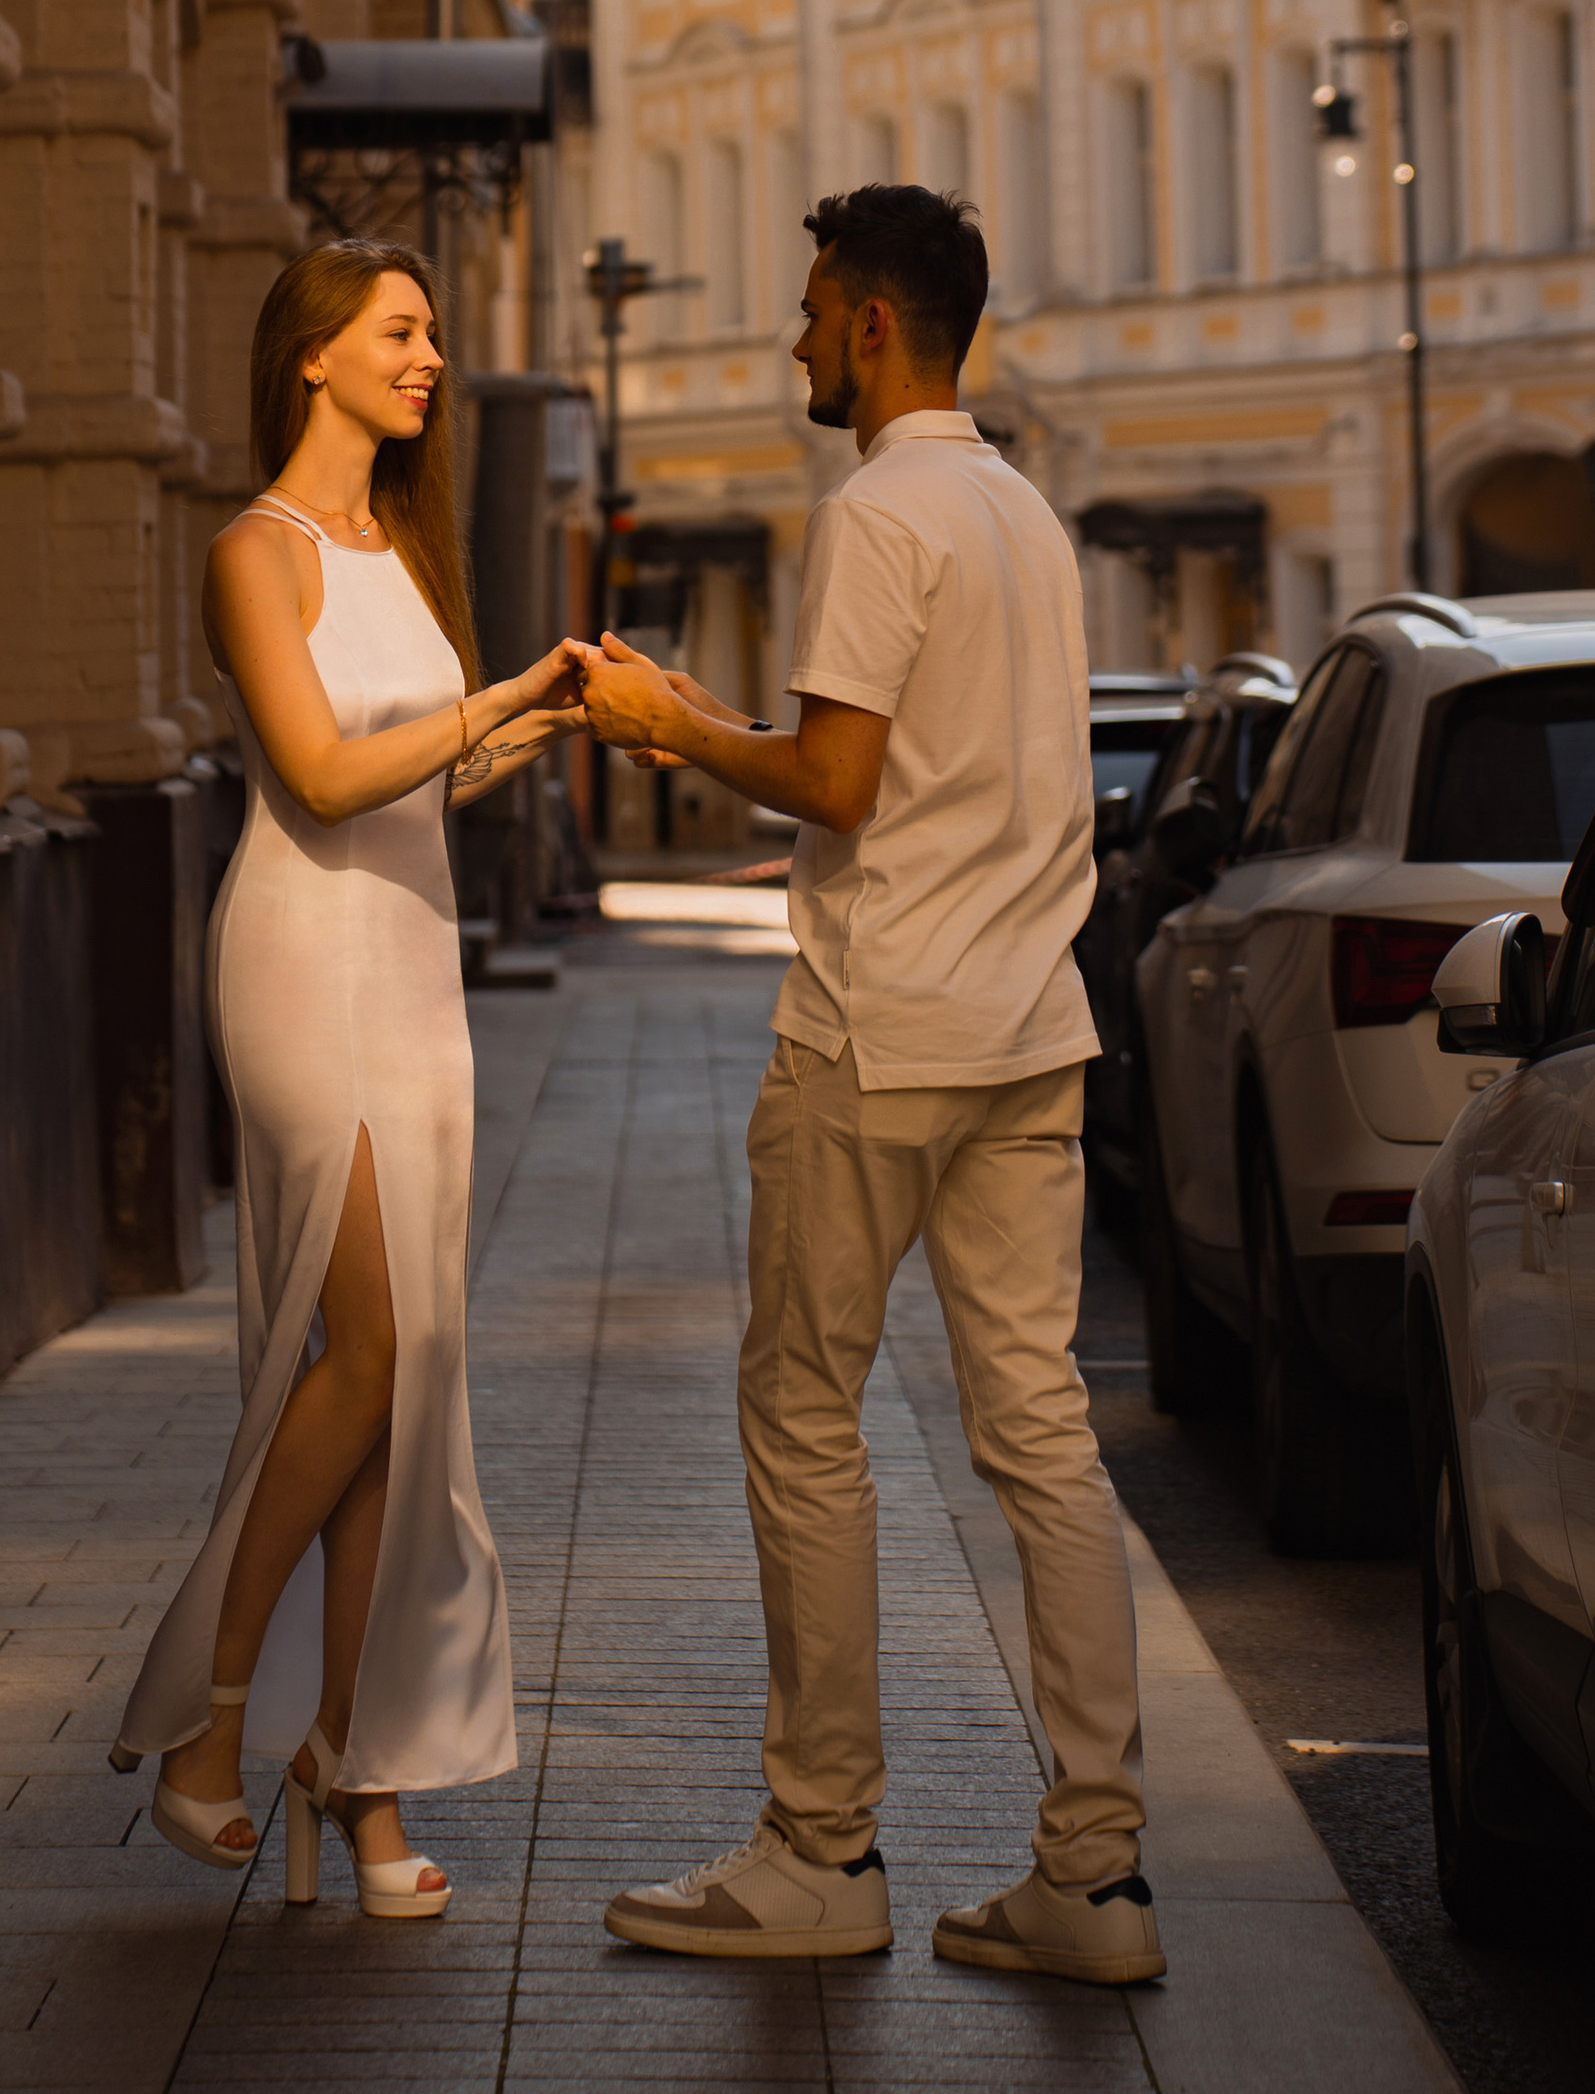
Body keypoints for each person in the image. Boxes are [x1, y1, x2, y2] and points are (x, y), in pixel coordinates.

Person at [582, 185, 1161, 1987]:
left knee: (804, 1416)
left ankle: (822, 1850)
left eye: (817, 308)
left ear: (880, 328)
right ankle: (1096, 1873)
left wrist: (669, 722)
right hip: (1029, 1029)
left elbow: (836, 780)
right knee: (1044, 1439)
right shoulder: (1025, 517)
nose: (798, 339)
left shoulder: (879, 513)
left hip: (877, 1032)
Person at [110, 240, 585, 1917]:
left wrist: (533, 725)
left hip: (415, 963)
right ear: (313, 357)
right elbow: (316, 777)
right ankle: (208, 1719)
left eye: (435, 334)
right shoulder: (262, 549)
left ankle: (359, 1771)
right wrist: (497, 702)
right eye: (402, 331)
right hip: (303, 966)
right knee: (372, 1342)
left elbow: (410, 791)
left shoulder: (402, 549)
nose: (432, 356)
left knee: (409, 1386)